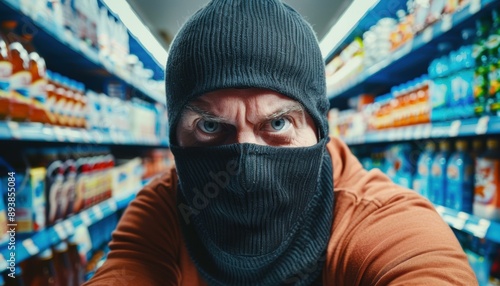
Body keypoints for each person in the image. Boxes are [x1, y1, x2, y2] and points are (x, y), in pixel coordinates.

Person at [84, 0, 477, 285]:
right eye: (208, 126)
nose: (245, 166)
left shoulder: (380, 219)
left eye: (277, 122)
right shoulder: (163, 211)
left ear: (319, 128)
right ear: (174, 135)